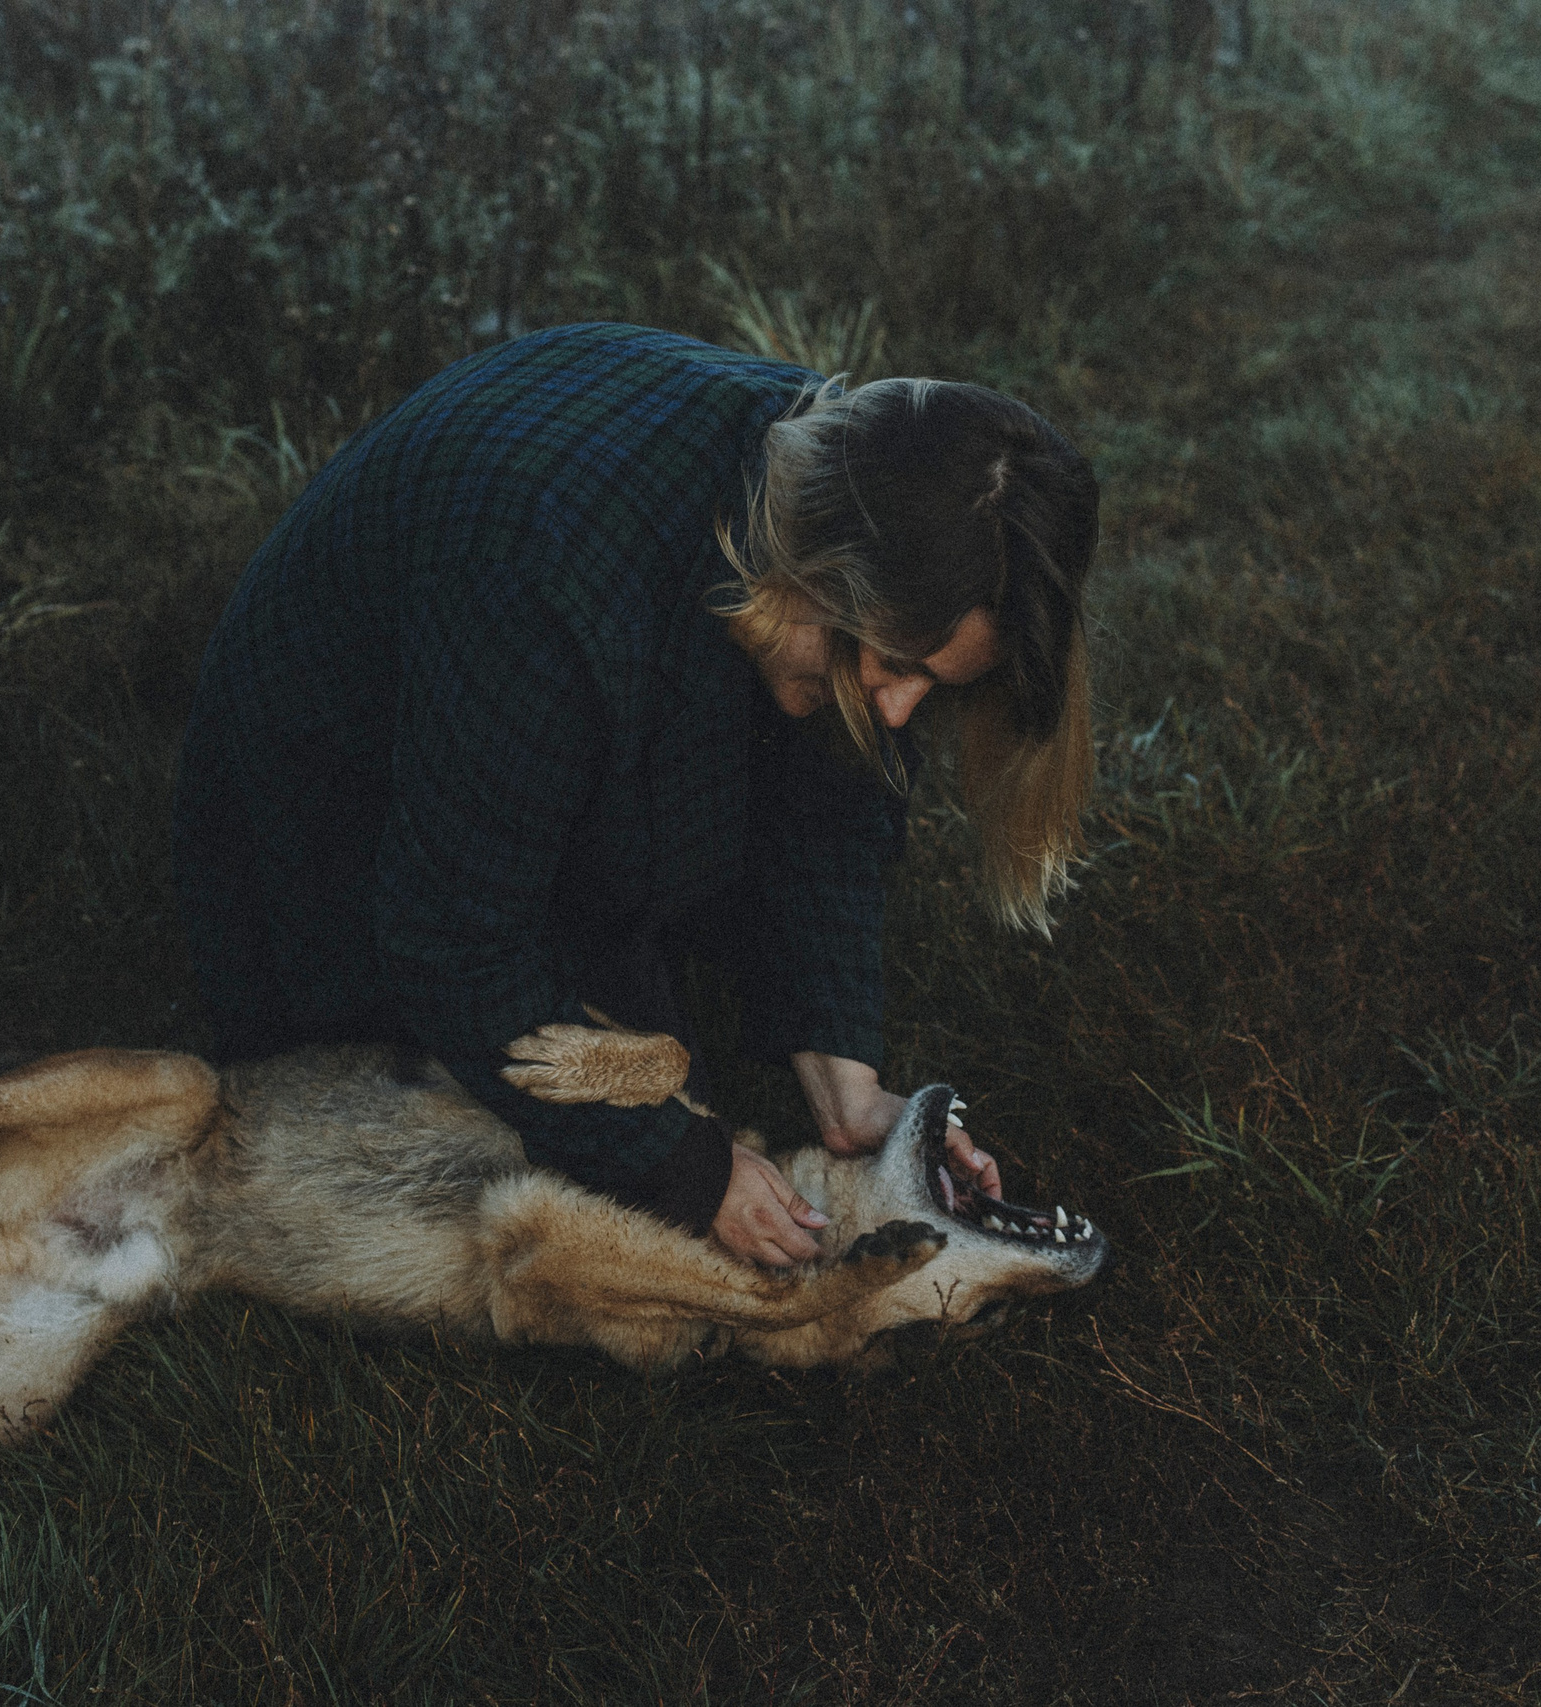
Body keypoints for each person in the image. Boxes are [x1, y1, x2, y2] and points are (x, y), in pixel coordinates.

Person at [171, 322, 1098, 1268]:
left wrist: (844, 1079)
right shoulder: (544, 580)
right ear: (817, 570)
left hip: (518, 726)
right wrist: (684, 1169)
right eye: (895, 664)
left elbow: (831, 809)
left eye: (933, 682)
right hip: (322, 847)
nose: (901, 709)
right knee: (574, 1154)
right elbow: (449, 934)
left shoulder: (862, 478)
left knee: (653, 1043)